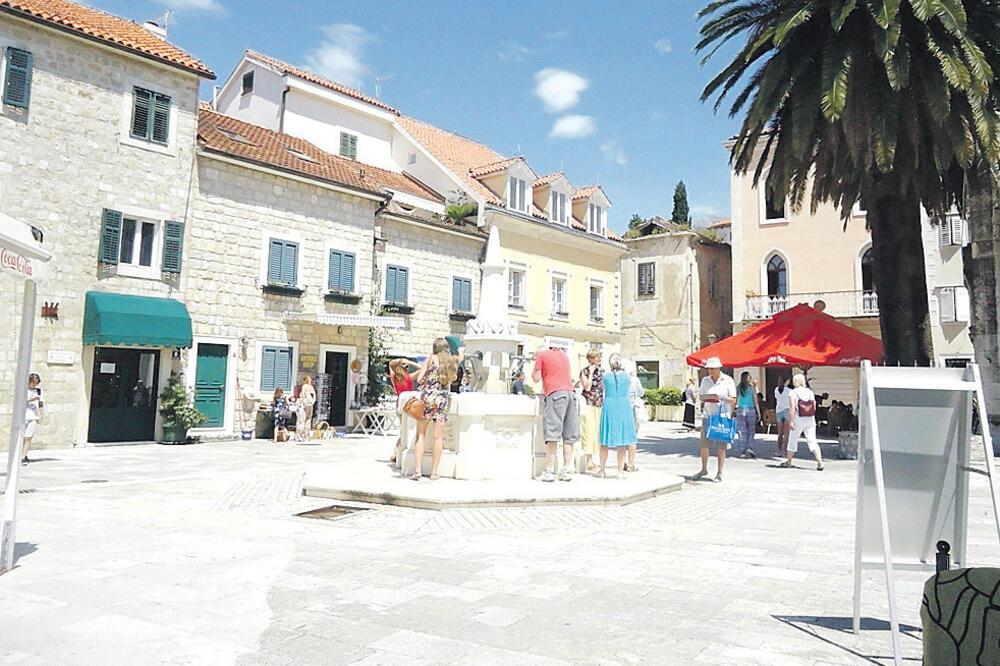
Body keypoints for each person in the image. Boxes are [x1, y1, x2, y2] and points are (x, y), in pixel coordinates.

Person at [410, 338, 460, 481]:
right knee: (438, 437)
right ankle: (434, 472)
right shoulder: (450, 361)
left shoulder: (431, 359)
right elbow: (452, 379)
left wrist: (427, 378)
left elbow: (419, 379)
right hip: (442, 400)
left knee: (421, 435)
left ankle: (418, 471)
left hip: (428, 398)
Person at [532, 344, 580, 482]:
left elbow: (536, 378)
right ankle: (566, 470)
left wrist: (535, 367)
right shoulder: (563, 355)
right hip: (571, 394)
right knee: (569, 435)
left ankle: (549, 471)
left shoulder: (541, 355)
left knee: (552, 434)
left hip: (556, 394)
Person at [694, 357, 737, 482]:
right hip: (708, 415)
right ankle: (703, 469)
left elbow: (733, 399)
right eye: (709, 369)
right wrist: (708, 397)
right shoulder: (705, 380)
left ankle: (719, 472)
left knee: (721, 446)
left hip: (722, 416)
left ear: (719, 368)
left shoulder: (728, 380)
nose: (710, 371)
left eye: (712, 369)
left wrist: (722, 397)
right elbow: (701, 396)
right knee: (704, 444)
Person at [598, 354, 637, 478]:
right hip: (624, 406)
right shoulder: (627, 376)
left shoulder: (605, 376)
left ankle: (602, 469)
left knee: (605, 440)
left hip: (609, 404)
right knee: (623, 440)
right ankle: (619, 471)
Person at [781, 373, 824, 471]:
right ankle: (819, 462)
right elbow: (814, 406)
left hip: (798, 418)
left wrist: (790, 421)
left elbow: (792, 407)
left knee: (793, 440)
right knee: (812, 440)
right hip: (810, 419)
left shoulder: (793, 392)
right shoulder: (810, 392)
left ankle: (789, 462)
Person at [388, 358, 421, 464]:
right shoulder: (409, 378)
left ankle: (396, 453)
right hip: (409, 405)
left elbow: (390, 364)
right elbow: (421, 368)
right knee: (408, 431)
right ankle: (397, 453)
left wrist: (399, 361)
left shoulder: (394, 378)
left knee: (402, 431)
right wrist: (409, 361)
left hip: (399, 405)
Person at [579, 350, 604, 473]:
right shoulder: (584, 372)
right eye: (597, 357)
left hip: (598, 404)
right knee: (588, 430)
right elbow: (587, 387)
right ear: (591, 358)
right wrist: (591, 372)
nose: (599, 359)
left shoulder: (601, 372)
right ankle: (587, 460)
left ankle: (591, 458)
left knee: (595, 432)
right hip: (588, 403)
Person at [624, 359, 646, 472]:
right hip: (633, 409)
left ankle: (621, 462)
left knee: (622, 437)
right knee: (632, 437)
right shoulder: (634, 380)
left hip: (622, 409)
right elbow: (641, 392)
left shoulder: (620, 379)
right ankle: (630, 463)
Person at [735, 372, 761, 459]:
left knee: (742, 431)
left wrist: (732, 411)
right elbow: (756, 400)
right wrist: (759, 412)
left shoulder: (738, 387)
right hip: (750, 409)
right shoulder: (752, 388)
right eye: (750, 376)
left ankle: (742, 451)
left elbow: (735, 400)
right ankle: (750, 447)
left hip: (741, 409)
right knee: (751, 430)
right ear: (747, 378)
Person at [22, 373, 43, 465]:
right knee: (20, 437)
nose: (35, 385)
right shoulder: (23, 390)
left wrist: (41, 415)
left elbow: (41, 404)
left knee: (28, 437)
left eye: (36, 383)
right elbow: (20, 402)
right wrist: (30, 400)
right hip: (23, 416)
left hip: (33, 416)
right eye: (33, 383)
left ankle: (24, 456)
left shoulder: (39, 391)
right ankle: (18, 454)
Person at [774, 376, 792, 456]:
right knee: (786, 432)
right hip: (787, 410)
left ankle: (779, 449)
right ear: (787, 381)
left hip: (779, 411)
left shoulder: (776, 390)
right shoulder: (789, 391)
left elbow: (777, 398)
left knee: (780, 433)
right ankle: (784, 450)